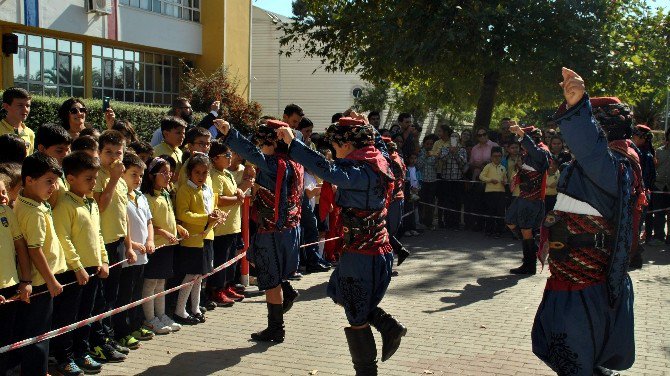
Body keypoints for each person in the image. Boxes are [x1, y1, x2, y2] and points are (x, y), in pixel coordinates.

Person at [532, 67, 640, 376]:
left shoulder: (610, 162)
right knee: (567, 351)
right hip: (572, 275)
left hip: (583, 284)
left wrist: (577, 103)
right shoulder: (607, 162)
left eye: (594, 121)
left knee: (574, 355)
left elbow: (586, 144)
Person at [278, 116, 406, 375]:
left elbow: (328, 170)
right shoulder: (374, 157)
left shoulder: (364, 171)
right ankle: (387, 324)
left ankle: (367, 370)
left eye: (336, 144)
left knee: (356, 314)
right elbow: (375, 143)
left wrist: (295, 144)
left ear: (348, 143)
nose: (334, 150)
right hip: (356, 252)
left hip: (366, 254)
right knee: (337, 292)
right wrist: (364, 124)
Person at [216, 118, 303, 343]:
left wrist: (230, 133)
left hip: (272, 230)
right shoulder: (296, 162)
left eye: (262, 141)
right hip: (289, 229)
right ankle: (287, 293)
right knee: (266, 268)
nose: (259, 146)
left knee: (270, 280)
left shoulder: (275, 164)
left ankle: (276, 328)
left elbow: (252, 153)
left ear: (272, 142)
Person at [52, 151, 108, 375]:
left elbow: (99, 234)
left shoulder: (91, 203)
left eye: (95, 178)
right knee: (68, 317)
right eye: (89, 179)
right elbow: (63, 238)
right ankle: (63, 358)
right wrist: (77, 267)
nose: (93, 183)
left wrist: (103, 260)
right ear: (70, 178)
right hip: (73, 273)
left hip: (92, 270)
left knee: (87, 314)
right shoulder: (65, 204)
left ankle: (81, 352)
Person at [13, 153, 67, 375]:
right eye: (48, 181)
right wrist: (51, 280)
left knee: (39, 330)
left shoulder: (35, 203)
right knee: (39, 333)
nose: (53, 187)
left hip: (43, 279)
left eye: (55, 182)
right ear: (29, 180)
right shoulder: (32, 211)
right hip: (40, 282)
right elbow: (34, 250)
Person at [91, 130, 136, 362]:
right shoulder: (98, 176)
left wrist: (128, 245)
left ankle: (107, 337)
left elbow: (124, 215)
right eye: (108, 152)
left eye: (118, 152)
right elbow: (99, 207)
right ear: (99, 152)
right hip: (102, 244)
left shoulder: (119, 177)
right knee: (99, 298)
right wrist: (114, 179)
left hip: (118, 242)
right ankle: (97, 341)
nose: (113, 157)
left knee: (112, 296)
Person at [174, 154, 223, 325]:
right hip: (192, 240)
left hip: (207, 236)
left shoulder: (207, 189)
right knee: (190, 275)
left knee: (199, 276)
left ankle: (195, 308)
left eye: (204, 173)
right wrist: (206, 218)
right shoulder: (185, 190)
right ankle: (180, 310)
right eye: (197, 173)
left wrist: (217, 214)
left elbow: (212, 208)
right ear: (189, 173)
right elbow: (182, 213)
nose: (201, 176)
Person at [113, 153, 156, 350]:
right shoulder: (120, 196)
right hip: (128, 255)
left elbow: (148, 221)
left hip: (143, 255)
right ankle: (122, 332)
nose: (138, 179)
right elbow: (122, 225)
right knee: (124, 296)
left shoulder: (140, 196)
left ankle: (136, 325)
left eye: (140, 175)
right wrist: (135, 246)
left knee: (136, 294)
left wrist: (149, 240)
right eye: (133, 174)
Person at [141, 156, 186, 334]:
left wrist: (178, 227)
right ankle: (150, 318)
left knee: (161, 282)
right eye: (163, 173)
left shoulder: (166, 193)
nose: (168, 176)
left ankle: (161, 315)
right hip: (156, 247)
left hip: (168, 246)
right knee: (151, 282)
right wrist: (164, 233)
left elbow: (170, 218)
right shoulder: (146, 197)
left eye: (170, 172)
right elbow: (149, 223)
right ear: (151, 175)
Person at [505, 124, 550, 275]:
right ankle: (533, 248)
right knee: (510, 221)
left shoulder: (541, 153)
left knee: (526, 231)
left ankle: (529, 264)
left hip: (533, 200)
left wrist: (521, 133)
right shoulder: (529, 155)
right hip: (522, 197)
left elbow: (532, 147)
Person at [0, 176, 32, 375]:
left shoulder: (7, 213)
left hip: (10, 286)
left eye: (3, 192)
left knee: (5, 338)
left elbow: (21, 247)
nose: (3, 197)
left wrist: (26, 281)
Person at [208, 140, 246, 306]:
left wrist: (238, 190)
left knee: (231, 259)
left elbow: (234, 189)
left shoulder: (227, 173)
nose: (231, 157)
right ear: (215, 158)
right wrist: (237, 198)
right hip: (221, 228)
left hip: (233, 225)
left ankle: (227, 285)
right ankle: (216, 290)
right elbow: (218, 199)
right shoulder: (214, 175)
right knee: (220, 261)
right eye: (227, 155)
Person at [432, 126, 468, 229]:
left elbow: (463, 163)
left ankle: (455, 223)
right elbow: (442, 161)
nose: (454, 139)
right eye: (452, 137)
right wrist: (450, 152)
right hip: (446, 179)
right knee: (446, 201)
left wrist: (455, 153)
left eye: (456, 137)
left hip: (457, 180)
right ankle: (447, 222)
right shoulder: (444, 148)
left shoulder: (462, 150)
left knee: (457, 202)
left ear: (458, 139)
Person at [467, 128, 499, 231]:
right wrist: (476, 165)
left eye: (484, 134)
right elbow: (471, 162)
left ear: (487, 135)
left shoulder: (494, 146)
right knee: (478, 201)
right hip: (477, 177)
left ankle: (490, 226)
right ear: (477, 137)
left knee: (490, 202)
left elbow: (499, 160)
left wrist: (486, 164)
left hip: (491, 177)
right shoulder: (475, 148)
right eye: (479, 135)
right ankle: (479, 224)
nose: (482, 137)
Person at [479, 147, 507, 238]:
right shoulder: (488, 166)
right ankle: (489, 230)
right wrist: (490, 180)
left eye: (499, 156)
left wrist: (504, 181)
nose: (497, 158)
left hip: (501, 192)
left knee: (500, 212)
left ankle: (499, 231)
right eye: (495, 156)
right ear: (491, 157)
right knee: (490, 211)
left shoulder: (503, 168)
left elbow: (505, 178)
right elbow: (481, 176)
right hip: (490, 192)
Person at [1, 87, 35, 154]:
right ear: (6, 106)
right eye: (20, 105)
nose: (25, 110)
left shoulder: (30, 133)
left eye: (27, 106)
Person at [153, 116, 186, 181]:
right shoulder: (156, 151)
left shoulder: (180, 151)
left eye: (183, 133)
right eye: (178, 133)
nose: (183, 136)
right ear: (166, 134)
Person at [652, 129, 670, 244]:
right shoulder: (659, 151)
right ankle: (659, 236)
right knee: (659, 213)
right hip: (659, 186)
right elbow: (655, 166)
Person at [417, 135, 438, 229]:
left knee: (430, 203)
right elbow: (418, 165)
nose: (429, 145)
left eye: (431, 144)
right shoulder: (420, 152)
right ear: (424, 144)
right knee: (421, 202)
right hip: (422, 181)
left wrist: (435, 156)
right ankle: (420, 221)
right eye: (427, 143)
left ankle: (429, 222)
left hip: (432, 181)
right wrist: (426, 156)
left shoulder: (435, 153)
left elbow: (436, 166)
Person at [403, 153, 421, 237]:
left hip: (416, 192)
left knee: (414, 210)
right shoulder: (406, 169)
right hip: (408, 192)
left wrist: (418, 188)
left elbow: (420, 180)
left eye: (415, 158)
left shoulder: (417, 169)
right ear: (408, 159)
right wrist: (410, 188)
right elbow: (406, 181)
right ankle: (406, 229)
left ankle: (413, 228)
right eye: (411, 158)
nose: (413, 160)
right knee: (407, 210)